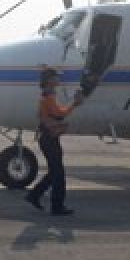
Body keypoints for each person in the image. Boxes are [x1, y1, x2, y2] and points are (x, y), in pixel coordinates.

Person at [26, 68, 84, 216]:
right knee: (59, 174)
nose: (59, 79)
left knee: (54, 172)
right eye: (56, 77)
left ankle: (34, 195)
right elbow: (59, 114)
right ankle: (56, 206)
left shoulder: (48, 95)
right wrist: (74, 105)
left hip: (48, 138)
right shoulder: (48, 96)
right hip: (49, 139)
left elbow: (52, 114)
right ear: (49, 80)